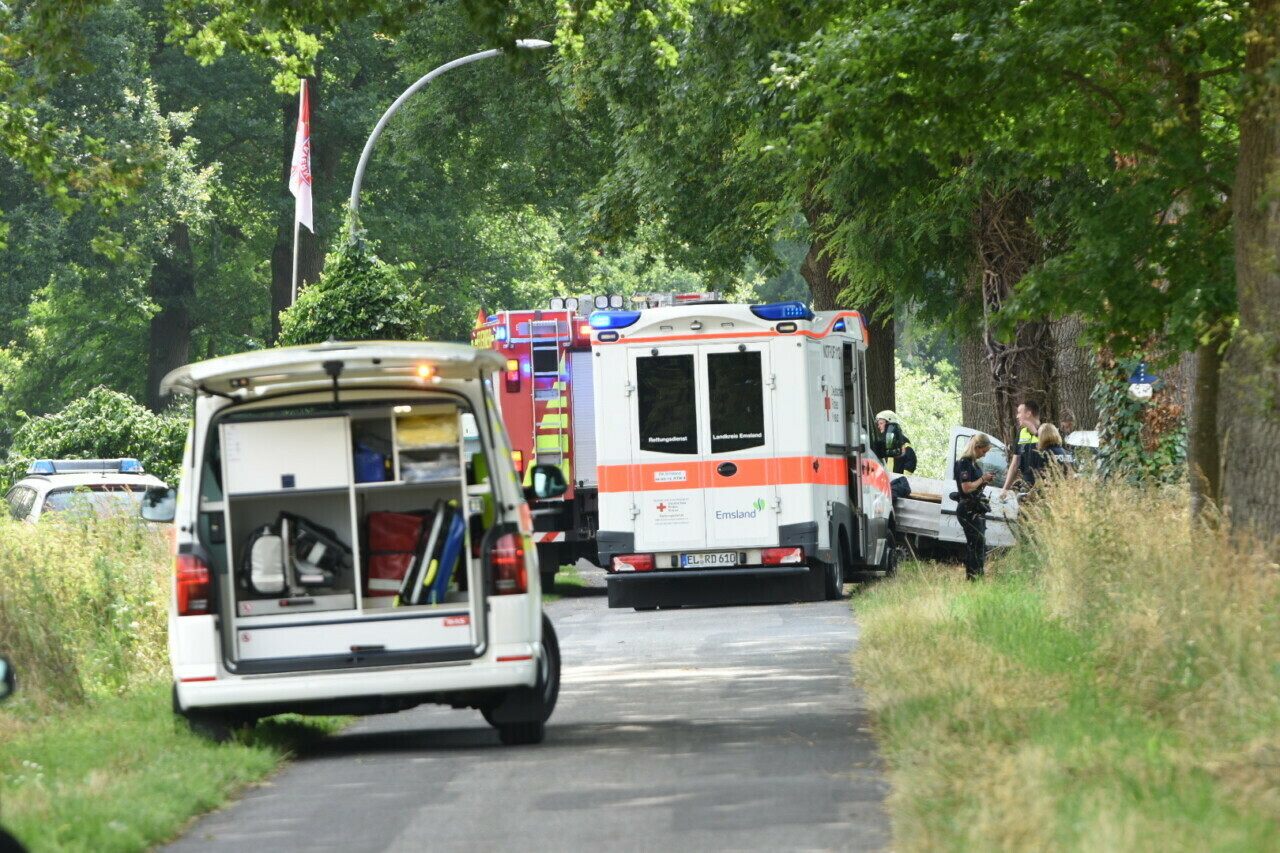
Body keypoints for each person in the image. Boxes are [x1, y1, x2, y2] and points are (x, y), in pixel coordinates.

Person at [954, 433, 995, 580]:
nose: (984, 455)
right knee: (975, 544)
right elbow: (966, 488)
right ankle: (973, 577)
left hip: (976, 507)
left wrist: (984, 482)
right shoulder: (964, 463)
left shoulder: (973, 463)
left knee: (980, 544)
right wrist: (982, 478)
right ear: (977, 447)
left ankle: (978, 575)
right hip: (967, 509)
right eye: (984, 451)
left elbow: (975, 487)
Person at [999, 400, 1043, 498]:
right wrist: (1005, 489)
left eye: (1019, 412)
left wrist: (1035, 432)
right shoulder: (1022, 433)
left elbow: (1050, 453)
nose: (1017, 416)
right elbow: (1015, 464)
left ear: (1028, 413)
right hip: (1027, 482)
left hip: (1043, 483)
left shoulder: (1046, 429)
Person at [871, 410, 917, 475]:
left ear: (889, 423)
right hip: (889, 478)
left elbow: (911, 460)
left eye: (881, 423)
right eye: (878, 424)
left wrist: (904, 476)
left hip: (897, 479)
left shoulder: (903, 441)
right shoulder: (884, 441)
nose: (879, 426)